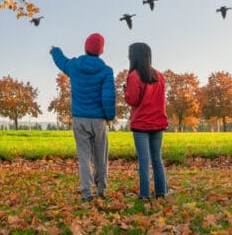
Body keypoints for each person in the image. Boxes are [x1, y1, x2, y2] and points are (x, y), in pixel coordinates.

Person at [50, 33, 116, 201]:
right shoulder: (107, 71)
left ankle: (87, 192)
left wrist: (55, 50)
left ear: (85, 47)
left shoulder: (74, 66)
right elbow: (108, 98)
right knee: (101, 157)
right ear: (101, 51)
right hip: (99, 120)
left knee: (84, 157)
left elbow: (61, 61)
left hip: (80, 119)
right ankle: (102, 189)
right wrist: (110, 116)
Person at [123, 42, 168, 199]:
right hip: (157, 123)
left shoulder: (134, 76)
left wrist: (125, 91)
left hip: (141, 124)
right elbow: (161, 101)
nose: (128, 56)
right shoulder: (159, 76)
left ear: (134, 56)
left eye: (129, 54)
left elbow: (133, 100)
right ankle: (162, 192)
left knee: (144, 161)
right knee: (157, 159)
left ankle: (144, 195)